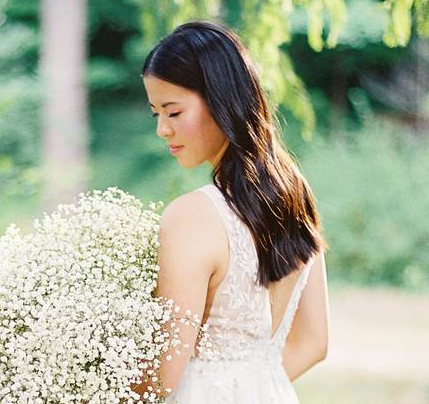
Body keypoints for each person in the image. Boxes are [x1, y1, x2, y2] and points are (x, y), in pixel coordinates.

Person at [135, 20, 329, 403]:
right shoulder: (294, 195)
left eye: (173, 112)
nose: (162, 130)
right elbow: (313, 342)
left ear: (221, 101)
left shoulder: (192, 216)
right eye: (155, 113)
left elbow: (162, 378)